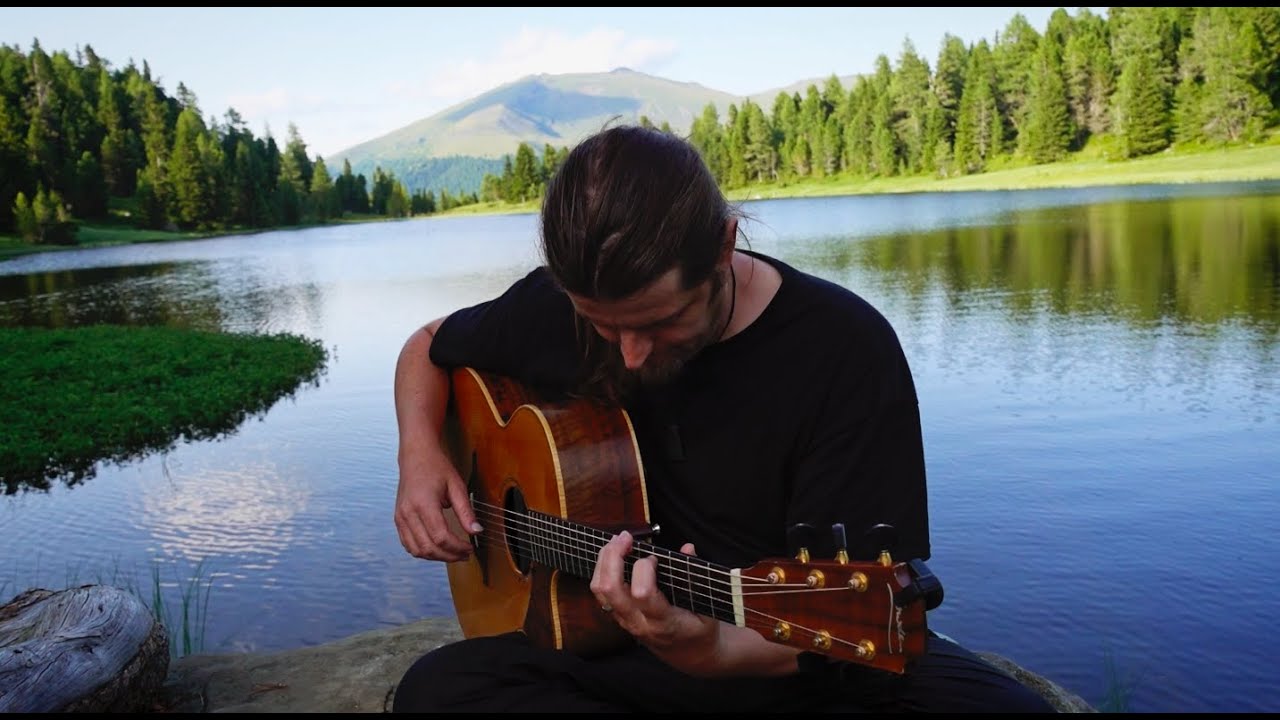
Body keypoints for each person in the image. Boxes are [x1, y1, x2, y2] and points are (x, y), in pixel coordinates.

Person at [390, 124, 1055, 713]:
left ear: (723, 245)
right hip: (621, 652)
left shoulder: (842, 350)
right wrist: (419, 454)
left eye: (660, 321)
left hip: (786, 655)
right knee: (438, 689)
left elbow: (861, 621)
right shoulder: (562, 306)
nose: (630, 352)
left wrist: (710, 651)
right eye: (603, 326)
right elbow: (427, 345)